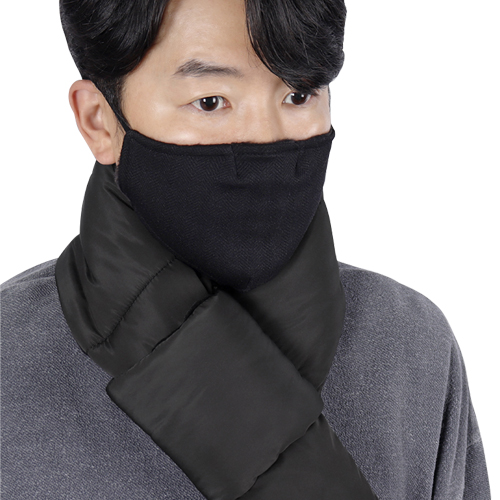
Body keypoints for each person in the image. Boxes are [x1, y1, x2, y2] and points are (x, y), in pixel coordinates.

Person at [0, 0, 491, 498]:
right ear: (98, 120)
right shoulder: (8, 356)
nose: (266, 138)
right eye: (211, 101)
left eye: (299, 94)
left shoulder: (411, 345)